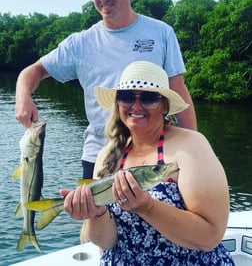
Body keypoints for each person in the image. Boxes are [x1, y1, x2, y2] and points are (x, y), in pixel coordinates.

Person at [15, 0, 197, 179]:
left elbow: (177, 88)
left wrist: (194, 147)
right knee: (93, 214)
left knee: (156, 213)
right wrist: (23, 96)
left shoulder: (161, 33)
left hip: (153, 156)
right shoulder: (79, 43)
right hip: (98, 156)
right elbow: (34, 71)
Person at [62, 61, 234, 265]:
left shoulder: (190, 146)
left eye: (148, 98)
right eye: (126, 97)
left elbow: (210, 237)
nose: (136, 106)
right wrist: (96, 213)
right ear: (118, 103)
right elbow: (106, 243)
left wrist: (148, 207)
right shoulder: (107, 155)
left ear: (165, 106)